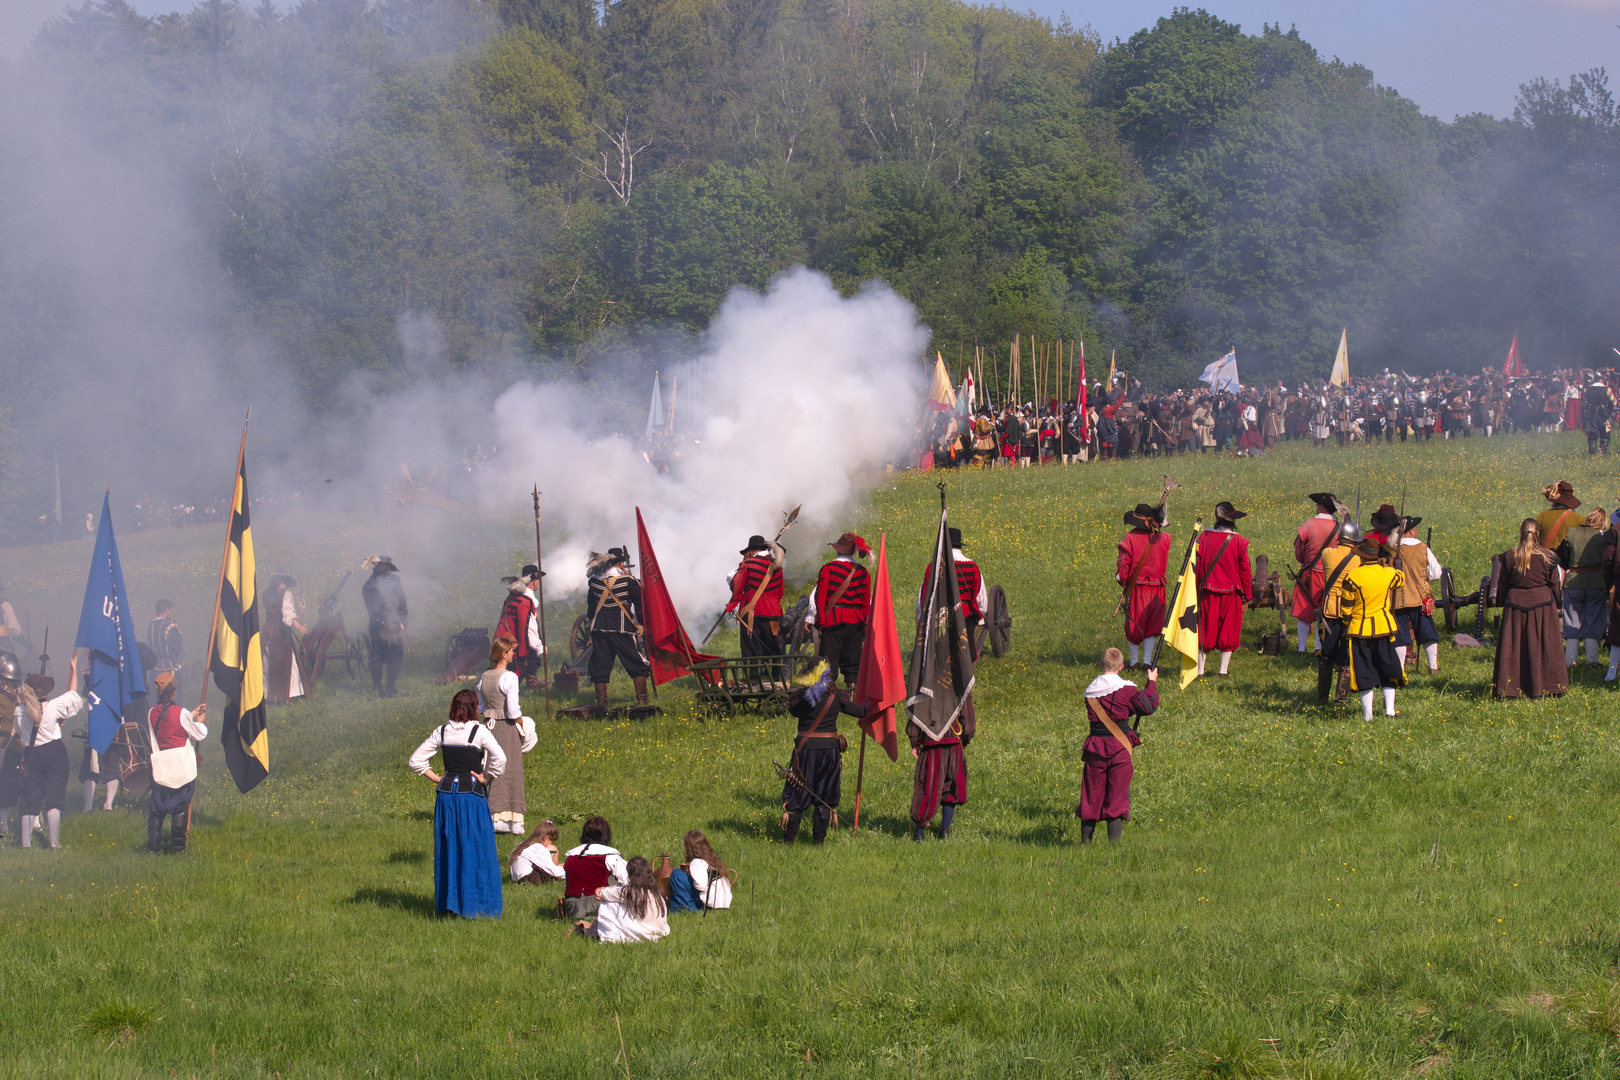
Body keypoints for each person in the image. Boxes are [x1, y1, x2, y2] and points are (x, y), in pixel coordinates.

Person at [407, 688, 506, 918]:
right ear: (473, 709)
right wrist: (486, 778)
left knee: (450, 848)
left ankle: (450, 904)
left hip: (446, 796)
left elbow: (416, 760)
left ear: (453, 707)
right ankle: (478, 906)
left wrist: (437, 778)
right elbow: (500, 759)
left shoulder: (442, 732)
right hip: (470, 797)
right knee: (477, 849)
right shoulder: (479, 731)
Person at [1078, 648, 1158, 844]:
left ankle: (1085, 845)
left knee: (1091, 796)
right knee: (1118, 795)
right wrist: (1152, 683)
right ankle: (1114, 847)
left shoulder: (1090, 691)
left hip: (1095, 747)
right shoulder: (1127, 690)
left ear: (1100, 665)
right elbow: (1147, 707)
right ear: (1122, 667)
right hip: (1119, 747)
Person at [781, 661, 864, 845]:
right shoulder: (838, 696)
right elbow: (859, 711)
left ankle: (788, 843)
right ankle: (818, 842)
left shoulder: (801, 696)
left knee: (797, 792)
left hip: (805, 751)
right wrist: (870, 704)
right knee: (825, 794)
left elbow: (794, 711)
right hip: (829, 753)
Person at [15, 648, 83, 849]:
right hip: (54, 752)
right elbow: (73, 695)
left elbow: (21, 733)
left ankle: (25, 845)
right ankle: (55, 844)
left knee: (29, 799)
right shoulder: (53, 706)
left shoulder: (20, 711)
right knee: (54, 798)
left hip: (31, 754)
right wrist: (74, 669)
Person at [1492, 519, 1567, 699]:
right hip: (1543, 608)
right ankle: (1549, 687)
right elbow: (1555, 584)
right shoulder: (1547, 556)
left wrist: (1501, 601)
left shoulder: (1510, 556)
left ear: (1521, 533)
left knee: (1514, 648)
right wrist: (1559, 604)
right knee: (1545, 647)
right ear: (1538, 534)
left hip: (1516, 608)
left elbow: (1503, 583)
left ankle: (1510, 689)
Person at [1340, 537, 1406, 721]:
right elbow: (1400, 579)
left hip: (1359, 629)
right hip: (1384, 628)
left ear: (1361, 558)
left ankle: (1368, 716)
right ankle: (1390, 711)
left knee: (1363, 670)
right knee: (1388, 668)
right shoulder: (1388, 573)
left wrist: (1348, 621)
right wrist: (1396, 564)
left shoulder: (1352, 577)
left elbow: (1346, 607)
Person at [478, 636, 537, 835]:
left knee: (492, 769)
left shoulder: (484, 676)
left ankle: (494, 816)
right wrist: (523, 722)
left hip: (489, 727)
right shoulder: (509, 677)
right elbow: (512, 710)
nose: (513, 654)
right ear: (504, 654)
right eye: (511, 651)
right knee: (510, 770)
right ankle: (513, 820)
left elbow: (481, 706)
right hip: (506, 727)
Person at [145, 672, 207, 853]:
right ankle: (178, 850)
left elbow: (172, 718)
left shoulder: (151, 713)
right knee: (180, 808)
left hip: (161, 767)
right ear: (174, 693)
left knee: (156, 812)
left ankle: (152, 849)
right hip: (180, 766)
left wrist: (191, 713)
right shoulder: (180, 713)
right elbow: (198, 734)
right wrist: (200, 721)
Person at [585, 548, 651, 710]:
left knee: (600, 665)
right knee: (636, 662)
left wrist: (591, 628)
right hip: (622, 628)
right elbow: (640, 603)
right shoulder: (628, 581)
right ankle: (642, 700)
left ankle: (601, 703)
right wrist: (641, 624)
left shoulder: (594, 582)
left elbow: (591, 607)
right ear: (620, 563)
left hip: (599, 629)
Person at [1195, 502, 1252, 677]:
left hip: (1208, 591)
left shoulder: (1204, 536)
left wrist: (1196, 589)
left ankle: (1200, 671)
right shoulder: (1238, 541)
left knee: (1205, 629)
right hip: (1231, 593)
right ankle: (1223, 670)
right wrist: (1248, 595)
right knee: (1229, 630)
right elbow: (1245, 570)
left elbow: (1196, 564)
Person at [805, 533, 870, 687]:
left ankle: (828, 694)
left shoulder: (828, 569)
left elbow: (820, 598)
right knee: (853, 661)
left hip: (832, 620)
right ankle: (852, 692)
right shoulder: (863, 572)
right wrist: (864, 622)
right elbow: (866, 601)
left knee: (828, 660)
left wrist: (819, 621)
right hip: (855, 621)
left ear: (838, 550)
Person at [1314, 521, 1365, 705]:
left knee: (1326, 654)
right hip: (1349, 610)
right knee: (1346, 655)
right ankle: (1341, 699)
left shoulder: (1328, 554)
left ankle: (1322, 699)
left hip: (1329, 610)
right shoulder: (1359, 558)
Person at [1116, 503, 1170, 669]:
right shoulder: (1165, 538)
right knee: (1153, 624)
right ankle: (1147, 661)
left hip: (1138, 588)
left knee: (1134, 625)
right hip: (1158, 588)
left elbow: (1123, 564)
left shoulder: (1130, 538)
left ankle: (1134, 662)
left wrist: (1123, 581)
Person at [573, 856, 670, 943]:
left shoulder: (633, 892)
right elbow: (621, 889)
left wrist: (601, 891)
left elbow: (608, 894)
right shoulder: (655, 890)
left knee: (609, 903)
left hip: (646, 930)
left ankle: (610, 935)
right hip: (659, 930)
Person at [1292, 494, 1343, 654]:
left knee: (1304, 611)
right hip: (1332, 574)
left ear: (1321, 508)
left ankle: (1301, 648)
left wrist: (1304, 561)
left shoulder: (1309, 524)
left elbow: (1299, 550)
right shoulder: (1340, 527)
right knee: (1325, 611)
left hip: (1311, 574)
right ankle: (1318, 646)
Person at [1558, 508, 1608, 669]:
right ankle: (1592, 661)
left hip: (1573, 583)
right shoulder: (1602, 537)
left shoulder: (1571, 533)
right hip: (1596, 583)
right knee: (1594, 620)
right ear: (1603, 521)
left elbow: (1562, 558)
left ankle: (1570, 661)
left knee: (1572, 622)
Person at [1391, 516, 1442, 675]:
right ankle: (1433, 665)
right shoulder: (1422, 548)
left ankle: (1400, 669)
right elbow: (1436, 573)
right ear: (1412, 531)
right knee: (1427, 633)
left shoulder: (1391, 549)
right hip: (1419, 598)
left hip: (1396, 599)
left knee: (1400, 636)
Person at [726, 536, 785, 660]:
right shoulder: (777, 565)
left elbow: (737, 588)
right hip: (773, 612)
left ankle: (752, 678)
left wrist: (731, 606)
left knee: (750, 649)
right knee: (772, 647)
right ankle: (775, 676)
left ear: (751, 552)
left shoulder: (747, 564)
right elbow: (780, 593)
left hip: (752, 611)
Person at [561, 816, 628, 922]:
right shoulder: (609, 856)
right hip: (599, 906)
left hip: (571, 907)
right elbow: (629, 880)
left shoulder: (571, 856)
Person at [362, 556, 409, 698]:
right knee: (384, 656)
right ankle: (383, 691)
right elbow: (399, 601)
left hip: (386, 622)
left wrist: (402, 619)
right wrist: (399, 618)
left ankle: (386, 691)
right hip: (382, 623)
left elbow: (401, 601)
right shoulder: (372, 584)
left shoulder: (370, 583)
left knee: (389, 656)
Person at [495, 566, 546, 689]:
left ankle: (530, 683)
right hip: (513, 643)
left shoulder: (511, 597)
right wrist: (539, 647)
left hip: (502, 638)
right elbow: (528, 630)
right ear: (534, 581)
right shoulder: (525, 601)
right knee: (517, 672)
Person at [264, 574, 307, 704]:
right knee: (289, 663)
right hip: (280, 634)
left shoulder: (265, 594)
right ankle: (288, 696)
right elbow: (288, 613)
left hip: (267, 632)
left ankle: (268, 695)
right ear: (280, 583)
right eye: (283, 582)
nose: (284, 585)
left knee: (267, 663)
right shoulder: (286, 594)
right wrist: (298, 626)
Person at [667, 829, 732, 911]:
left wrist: (690, 879)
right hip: (722, 902)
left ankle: (690, 909)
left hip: (708, 902)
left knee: (676, 875)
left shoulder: (697, 862)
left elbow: (701, 885)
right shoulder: (713, 859)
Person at [0, 653, 21, 840]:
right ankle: (3, 827)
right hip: (3, 746)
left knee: (23, 786)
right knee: (3, 788)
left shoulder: (20, 698)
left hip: (17, 747)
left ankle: (35, 824)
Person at [146, 599, 183, 703]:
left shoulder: (151, 626)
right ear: (167, 610)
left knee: (156, 702)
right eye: (170, 610)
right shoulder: (170, 627)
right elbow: (178, 648)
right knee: (172, 702)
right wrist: (173, 626)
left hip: (155, 669)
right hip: (169, 669)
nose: (171, 612)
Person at [510, 819, 565, 885]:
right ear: (546, 838)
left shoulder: (523, 844)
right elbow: (552, 870)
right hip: (530, 878)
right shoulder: (538, 848)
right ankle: (559, 867)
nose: (550, 844)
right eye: (551, 842)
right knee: (553, 849)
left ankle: (559, 866)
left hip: (518, 878)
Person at [1537, 481, 1583, 552]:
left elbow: (1536, 541)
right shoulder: (1580, 519)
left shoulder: (1541, 516)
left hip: (1546, 559)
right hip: (1568, 560)